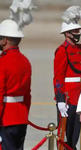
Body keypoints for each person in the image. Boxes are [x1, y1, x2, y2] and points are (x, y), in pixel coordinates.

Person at [53, 6, 81, 149]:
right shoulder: (62, 51)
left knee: (75, 135)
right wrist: (60, 100)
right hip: (67, 97)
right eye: (75, 31)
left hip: (79, 96)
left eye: (78, 30)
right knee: (64, 135)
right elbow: (58, 77)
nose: (78, 33)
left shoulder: (80, 49)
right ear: (67, 33)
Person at [0, 19, 32, 150]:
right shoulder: (25, 61)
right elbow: (27, 95)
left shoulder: (3, 62)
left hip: (5, 118)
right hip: (21, 117)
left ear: (5, 40)